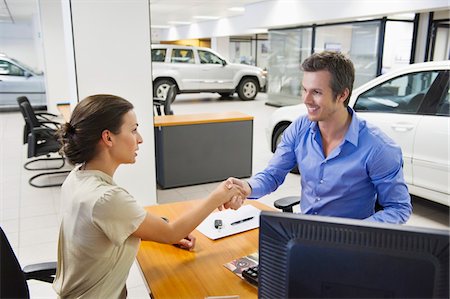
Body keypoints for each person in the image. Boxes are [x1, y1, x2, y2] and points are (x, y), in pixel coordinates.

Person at [53, 94, 244, 298]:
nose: (140, 139)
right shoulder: (106, 198)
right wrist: (220, 194)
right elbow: (171, 232)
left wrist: (156, 231)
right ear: (108, 137)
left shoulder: (78, 177)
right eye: (133, 130)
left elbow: (106, 229)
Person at [228, 51, 412, 224]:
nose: (306, 100)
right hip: (306, 234)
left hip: (351, 243)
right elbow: (272, 175)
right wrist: (247, 187)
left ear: (342, 95)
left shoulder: (379, 148)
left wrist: (355, 234)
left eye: (316, 92)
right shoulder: (300, 128)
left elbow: (398, 208)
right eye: (304, 90)